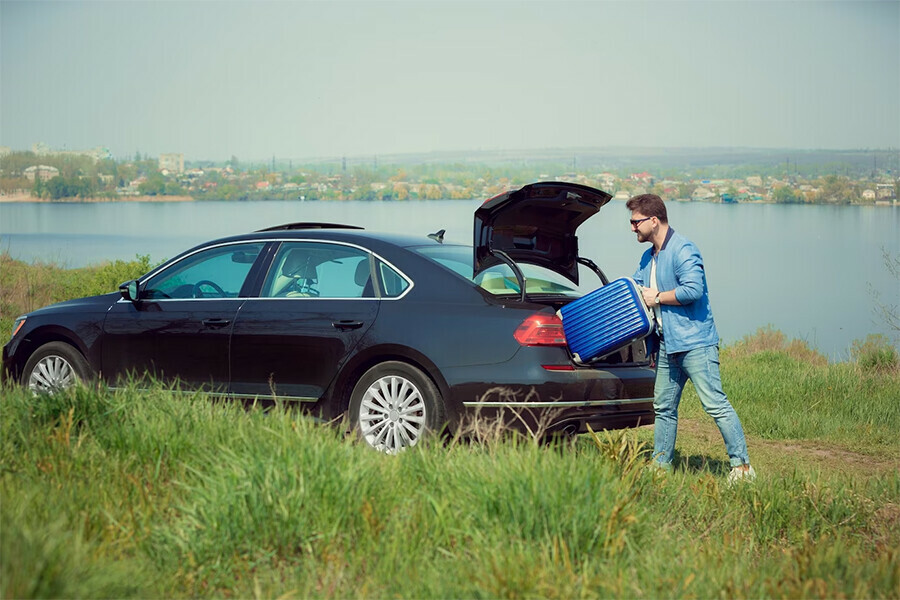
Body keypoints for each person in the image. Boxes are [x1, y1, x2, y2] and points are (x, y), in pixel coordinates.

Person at [626, 193, 755, 483]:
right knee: (664, 407)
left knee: (715, 405)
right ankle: (661, 468)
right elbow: (636, 289)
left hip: (695, 343)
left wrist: (657, 297)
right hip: (666, 345)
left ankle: (743, 468)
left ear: (653, 220)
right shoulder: (648, 258)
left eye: (635, 222)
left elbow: (693, 290)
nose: (632, 228)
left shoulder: (684, 249)